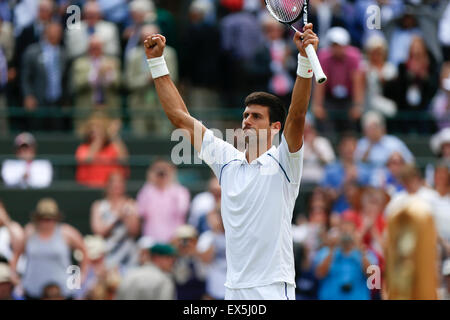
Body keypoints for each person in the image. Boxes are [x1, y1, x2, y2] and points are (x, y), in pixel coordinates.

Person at [143, 22, 319, 299]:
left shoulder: (285, 163)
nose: (247, 121)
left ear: (275, 128)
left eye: (256, 116)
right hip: (233, 290)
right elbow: (179, 117)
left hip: (272, 289)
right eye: (245, 115)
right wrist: (156, 63)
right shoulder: (225, 160)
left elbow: (296, 117)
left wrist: (303, 61)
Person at [10, 198, 88, 300]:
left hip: (63, 292)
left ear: (56, 218)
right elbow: (16, 253)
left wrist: (81, 277)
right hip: (32, 291)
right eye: (43, 219)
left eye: (50, 219)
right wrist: (15, 277)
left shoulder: (66, 232)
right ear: (37, 219)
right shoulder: (29, 232)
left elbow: (84, 251)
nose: (46, 222)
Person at [124, 24, 178, 136]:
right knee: (140, 140)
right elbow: (129, 81)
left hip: (163, 105)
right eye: (145, 37)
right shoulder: (133, 55)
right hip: (139, 105)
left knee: (163, 138)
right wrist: (146, 79)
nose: (148, 41)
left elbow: (173, 78)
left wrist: (157, 77)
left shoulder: (169, 53)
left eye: (151, 38)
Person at [313, 26, 365, 133]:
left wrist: (357, 105)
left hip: (349, 98)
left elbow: (357, 81)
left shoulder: (354, 56)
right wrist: (318, 105)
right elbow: (320, 82)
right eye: (334, 45)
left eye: (340, 45)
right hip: (330, 98)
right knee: (325, 125)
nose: (337, 49)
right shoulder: (324, 57)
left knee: (351, 127)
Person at [314, 217, 378, 300]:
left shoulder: (366, 253)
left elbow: (373, 279)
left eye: (350, 232)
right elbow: (319, 274)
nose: (346, 236)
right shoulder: (326, 251)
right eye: (343, 232)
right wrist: (332, 249)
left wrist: (360, 249)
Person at [21, 21, 68, 131]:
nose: (54, 35)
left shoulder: (63, 54)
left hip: (57, 103)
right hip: (38, 101)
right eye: (52, 32)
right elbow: (25, 77)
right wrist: (28, 95)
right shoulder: (32, 52)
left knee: (57, 134)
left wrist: (66, 100)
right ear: (45, 33)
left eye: (57, 32)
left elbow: (66, 79)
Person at [90, 171, 140, 272]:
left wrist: (127, 216)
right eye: (113, 182)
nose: (116, 185)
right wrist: (117, 217)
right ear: (107, 185)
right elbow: (99, 231)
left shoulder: (131, 204)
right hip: (106, 255)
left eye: (119, 182)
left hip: (128, 256)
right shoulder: (98, 205)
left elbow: (134, 231)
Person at [71, 35, 121, 131]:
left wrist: (108, 75)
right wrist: (96, 73)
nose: (95, 50)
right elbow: (77, 84)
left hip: (108, 108)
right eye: (92, 48)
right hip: (87, 109)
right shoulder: (79, 63)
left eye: (97, 47)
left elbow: (118, 84)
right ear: (88, 49)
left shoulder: (113, 62)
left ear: (103, 48)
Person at [137, 159, 190, 243]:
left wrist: (171, 181)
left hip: (174, 241)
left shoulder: (180, 191)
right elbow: (141, 212)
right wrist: (151, 181)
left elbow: (182, 210)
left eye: (165, 170)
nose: (161, 174)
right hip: (152, 241)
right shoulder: (146, 191)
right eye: (158, 170)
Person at [75, 114, 128, 188]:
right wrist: (99, 138)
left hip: (110, 190)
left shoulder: (112, 147)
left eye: (99, 128)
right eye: (92, 129)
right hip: (88, 188)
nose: (95, 131)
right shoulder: (82, 148)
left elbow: (124, 159)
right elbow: (87, 159)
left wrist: (113, 135)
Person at [196, 206, 227, 300]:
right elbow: (205, 260)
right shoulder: (207, 236)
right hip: (215, 285)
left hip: (235, 284)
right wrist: (216, 232)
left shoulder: (235, 235)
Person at [172, 224, 207, 300]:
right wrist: (178, 251)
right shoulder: (175, 256)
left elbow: (203, 275)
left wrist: (194, 252)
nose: (185, 243)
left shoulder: (199, 254)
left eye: (189, 239)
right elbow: (180, 279)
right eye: (182, 239)